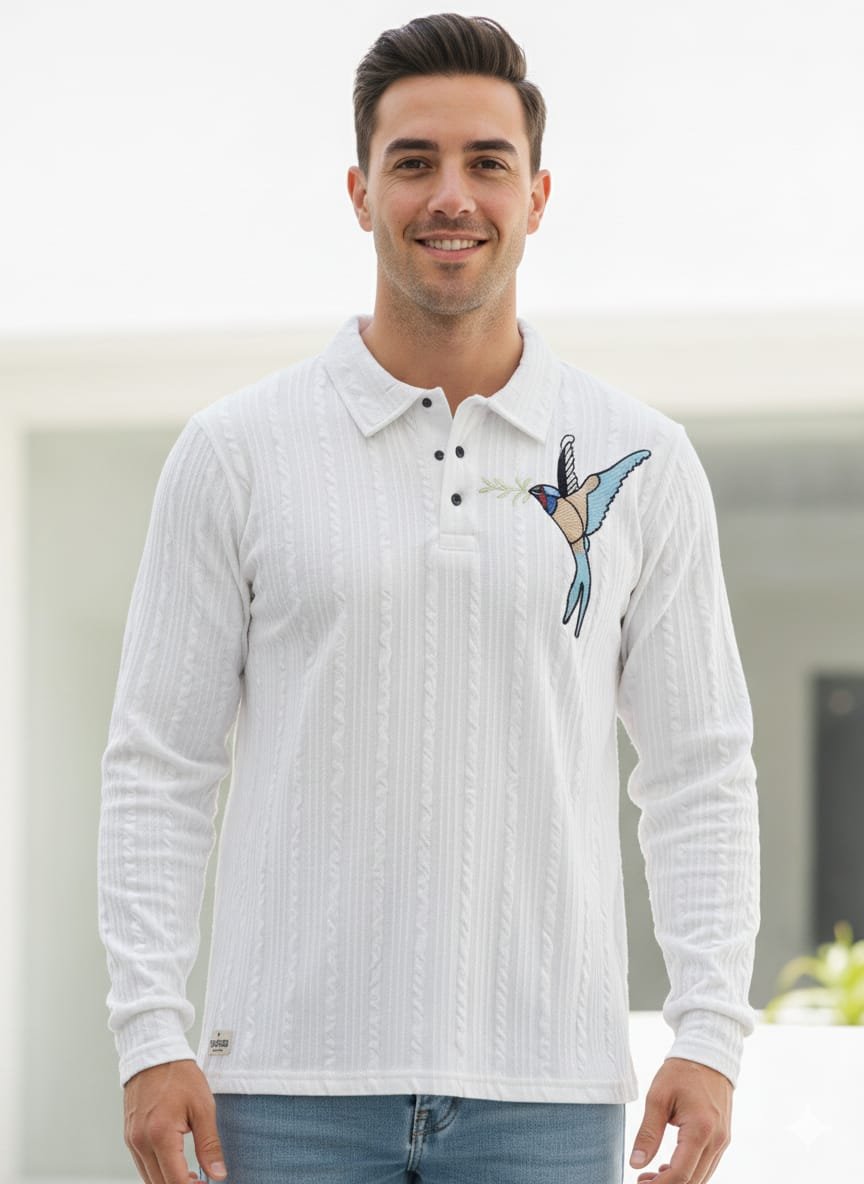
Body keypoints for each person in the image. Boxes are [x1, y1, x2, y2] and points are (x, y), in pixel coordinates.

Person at [98, 13, 760, 1184]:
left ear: (537, 196)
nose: (451, 195)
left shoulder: (645, 461)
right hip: (283, 1093)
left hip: (547, 1098)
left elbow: (698, 768)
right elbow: (159, 763)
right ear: (361, 192)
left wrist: (709, 1030)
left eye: (486, 162)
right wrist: (150, 1031)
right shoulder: (234, 453)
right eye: (414, 161)